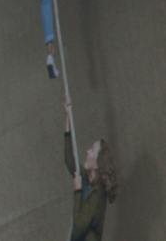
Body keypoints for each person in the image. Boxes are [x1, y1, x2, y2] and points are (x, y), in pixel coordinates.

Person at [63, 92, 117, 239]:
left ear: (97, 164)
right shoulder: (88, 179)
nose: (87, 151)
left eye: (92, 150)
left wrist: (77, 191)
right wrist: (68, 116)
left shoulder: (97, 195)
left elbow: (78, 227)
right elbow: (69, 160)